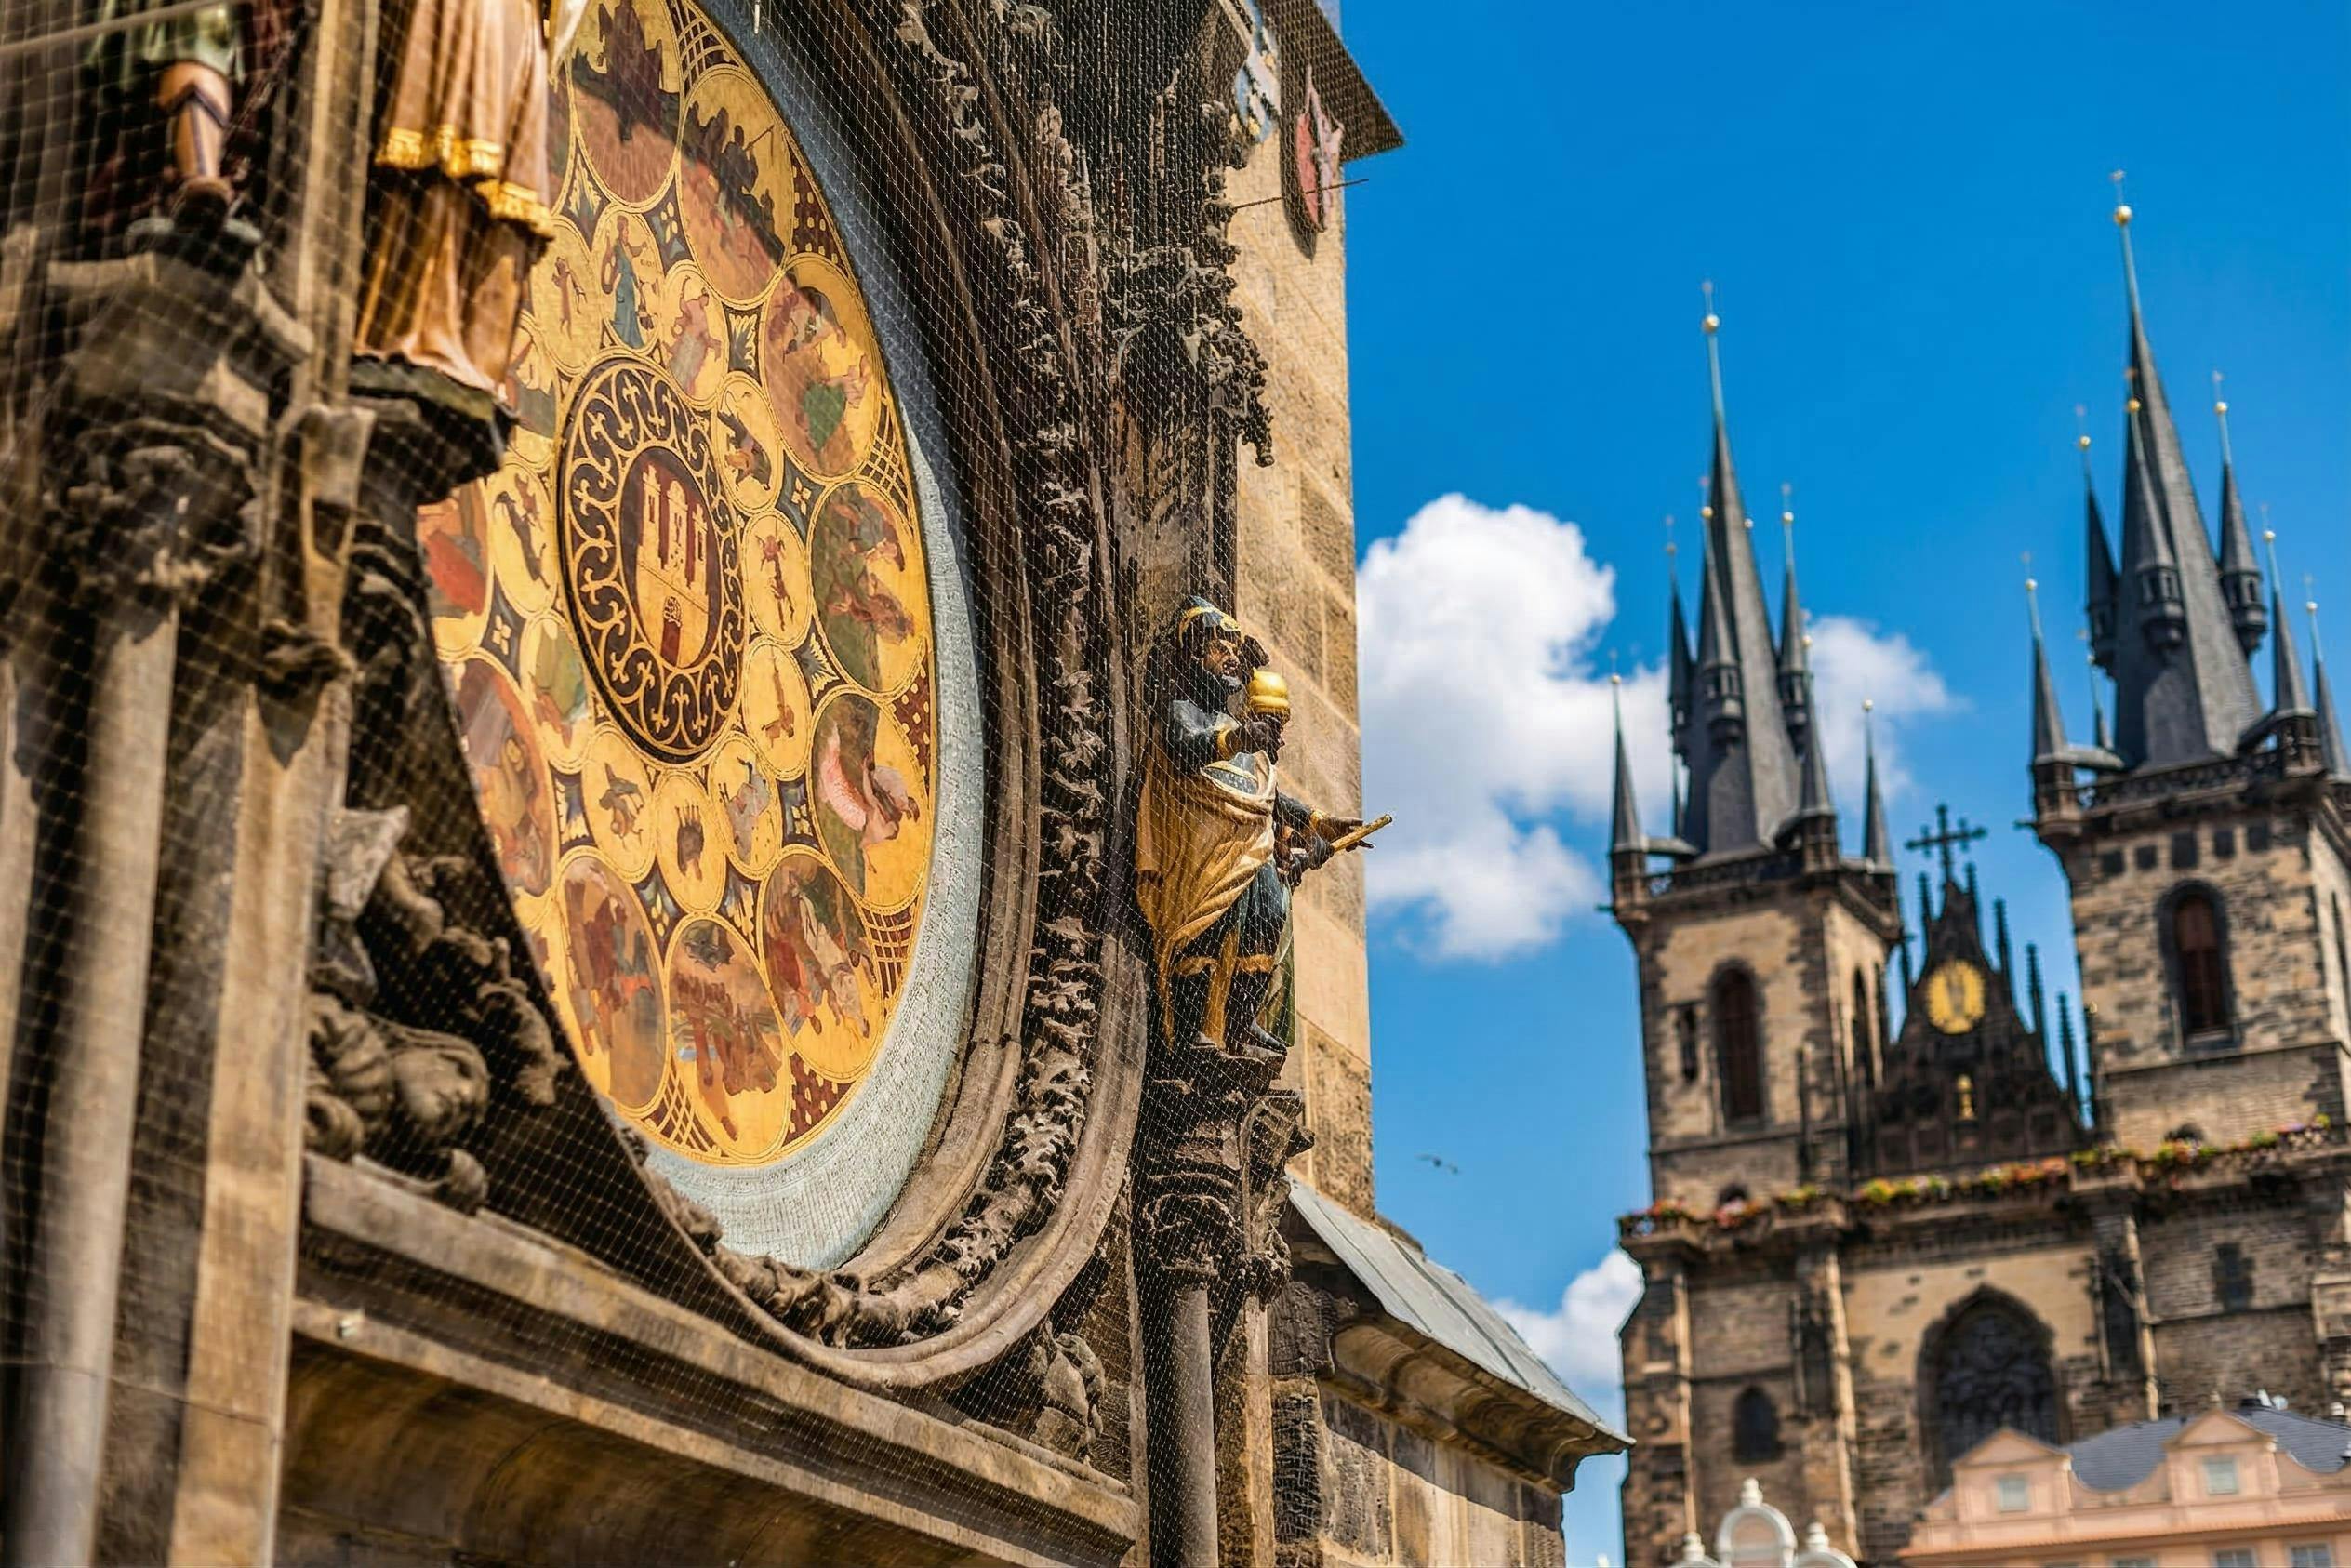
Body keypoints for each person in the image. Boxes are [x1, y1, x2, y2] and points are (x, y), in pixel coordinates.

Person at [1133, 599, 1361, 1068]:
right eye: (1222, 649)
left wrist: (1319, 822)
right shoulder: (1184, 710)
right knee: (1212, 923)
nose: (1233, 660)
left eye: (1236, 653)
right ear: (1195, 656)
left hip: (1248, 847)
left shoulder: (1239, 729)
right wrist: (1238, 740)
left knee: (1269, 908)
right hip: (1202, 848)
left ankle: (1240, 1021)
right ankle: (1197, 1025)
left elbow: (1271, 795)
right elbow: (1181, 750)